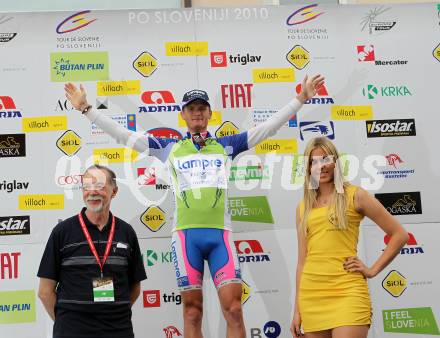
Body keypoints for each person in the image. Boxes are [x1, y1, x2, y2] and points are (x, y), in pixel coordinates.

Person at [64, 74, 324, 338]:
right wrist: (87, 110)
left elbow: (267, 128)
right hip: (186, 237)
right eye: (191, 109)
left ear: (209, 113)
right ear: (184, 115)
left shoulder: (226, 145)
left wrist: (301, 98)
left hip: (220, 235)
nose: (197, 113)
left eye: (201, 108)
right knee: (192, 311)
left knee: (234, 309)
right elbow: (124, 135)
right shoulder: (170, 148)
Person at [290, 137, 409, 338]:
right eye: (314, 162)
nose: (321, 166)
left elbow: (400, 235)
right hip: (312, 296)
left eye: (326, 159)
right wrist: (297, 310)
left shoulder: (355, 195)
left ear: (335, 161)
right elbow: (302, 261)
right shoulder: (303, 208)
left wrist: (371, 270)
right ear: (308, 168)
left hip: (348, 292)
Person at [37, 165, 147, 338]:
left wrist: (113, 313)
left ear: (114, 191)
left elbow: (134, 287)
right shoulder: (62, 231)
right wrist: (66, 323)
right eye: (87, 186)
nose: (92, 191)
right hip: (72, 332)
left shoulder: (126, 232)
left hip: (118, 331)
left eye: (100, 186)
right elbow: (44, 291)